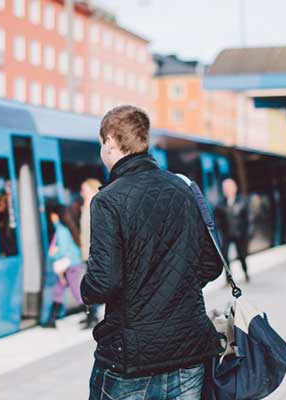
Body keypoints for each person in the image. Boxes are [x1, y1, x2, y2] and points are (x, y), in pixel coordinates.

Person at [81, 105, 223, 400]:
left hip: (131, 359)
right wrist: (174, 287)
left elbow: (104, 282)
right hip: (189, 350)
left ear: (109, 141)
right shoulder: (184, 189)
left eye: (101, 145)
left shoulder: (108, 200)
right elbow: (212, 264)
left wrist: (84, 289)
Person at [41, 204, 83, 329]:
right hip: (71, 264)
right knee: (58, 290)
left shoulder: (61, 231)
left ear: (56, 216)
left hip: (69, 266)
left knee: (76, 292)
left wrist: (54, 253)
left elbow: (63, 251)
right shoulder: (63, 228)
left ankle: (92, 315)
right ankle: (52, 319)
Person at [214, 178, 254, 283]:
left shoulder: (243, 201)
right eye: (225, 188)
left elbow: (249, 219)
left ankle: (246, 273)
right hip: (227, 235)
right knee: (225, 257)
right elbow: (217, 220)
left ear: (235, 188)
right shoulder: (220, 203)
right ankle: (228, 279)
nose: (227, 190)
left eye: (229, 188)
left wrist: (249, 234)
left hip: (239, 234)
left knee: (242, 256)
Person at [79, 178, 102, 329]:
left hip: (94, 252)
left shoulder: (97, 204)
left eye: (84, 189)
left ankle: (92, 316)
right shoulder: (84, 207)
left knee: (93, 285)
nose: (81, 192)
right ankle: (90, 314)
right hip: (86, 252)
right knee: (89, 285)